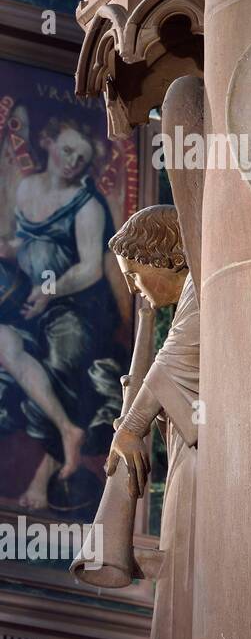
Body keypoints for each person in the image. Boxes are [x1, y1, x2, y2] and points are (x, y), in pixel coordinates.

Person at [104, 204, 198, 639]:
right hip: (192, 461)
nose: (138, 289)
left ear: (162, 257)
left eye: (137, 276)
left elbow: (168, 367)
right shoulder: (186, 301)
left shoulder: (204, 289)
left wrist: (131, 427)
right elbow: (161, 371)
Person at [0, 117, 120, 508]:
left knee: (62, 362)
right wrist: (11, 251)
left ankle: (42, 478)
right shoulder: (27, 187)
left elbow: (90, 268)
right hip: (29, 300)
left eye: (82, 159)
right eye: (67, 150)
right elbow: (26, 240)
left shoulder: (88, 206)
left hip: (76, 307)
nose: (72, 162)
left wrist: (48, 291)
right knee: (5, 343)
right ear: (49, 143)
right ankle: (67, 428)